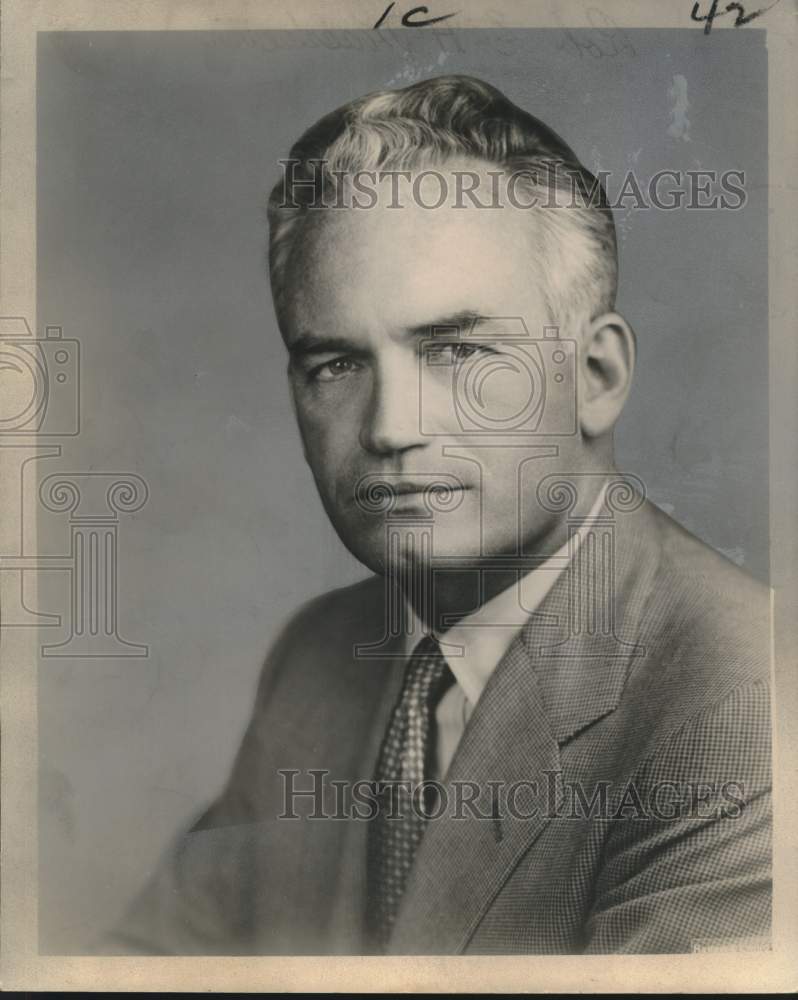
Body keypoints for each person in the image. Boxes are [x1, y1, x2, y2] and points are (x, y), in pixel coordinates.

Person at [99, 75, 771, 955]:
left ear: (597, 377)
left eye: (457, 350)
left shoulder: (747, 703)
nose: (390, 428)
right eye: (336, 364)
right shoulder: (319, 657)